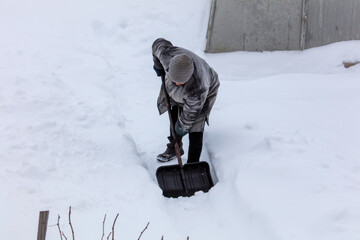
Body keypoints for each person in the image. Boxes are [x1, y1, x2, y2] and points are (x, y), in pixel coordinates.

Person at [152, 38, 220, 163]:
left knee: (195, 128)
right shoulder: (167, 55)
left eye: (181, 81)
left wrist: (180, 130)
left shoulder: (198, 88)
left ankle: (193, 163)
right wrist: (158, 66)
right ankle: (174, 147)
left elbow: (189, 116)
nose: (177, 83)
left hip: (205, 89)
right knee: (174, 111)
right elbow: (158, 44)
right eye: (174, 79)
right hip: (181, 88)